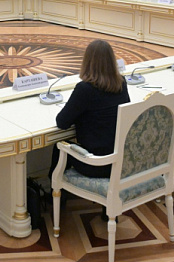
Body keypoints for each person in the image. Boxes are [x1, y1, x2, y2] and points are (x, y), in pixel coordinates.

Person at [50, 39, 130, 178]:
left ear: (87, 62)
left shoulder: (84, 89)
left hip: (96, 164)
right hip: (120, 161)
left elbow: (62, 122)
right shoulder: (121, 83)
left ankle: (54, 191)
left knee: (59, 147)